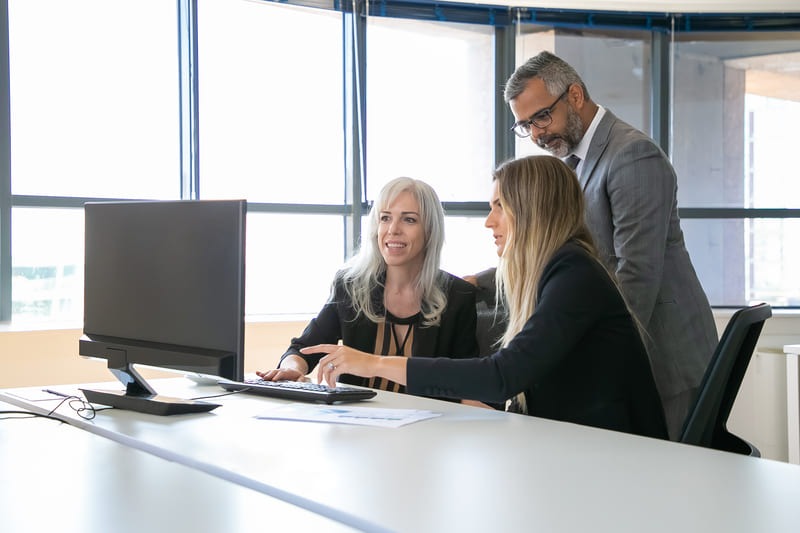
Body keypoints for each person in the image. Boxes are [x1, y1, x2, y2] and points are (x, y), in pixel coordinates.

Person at [306, 156, 669, 440]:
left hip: (618, 457)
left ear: (531, 210)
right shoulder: (556, 271)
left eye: (499, 206)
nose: (488, 221)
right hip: (576, 446)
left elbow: (502, 375)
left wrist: (373, 364)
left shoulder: (574, 274)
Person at [471, 51, 717, 440]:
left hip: (664, 357)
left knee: (665, 474)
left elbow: (636, 275)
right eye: (525, 125)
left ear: (575, 95)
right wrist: (481, 281)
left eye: (541, 117)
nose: (536, 134)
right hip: (629, 359)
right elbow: (550, 246)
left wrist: (576, 357)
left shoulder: (631, 155)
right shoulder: (572, 162)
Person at [256, 176, 479, 395]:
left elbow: (468, 381)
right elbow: (303, 349)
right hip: (357, 417)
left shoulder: (458, 296)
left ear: (430, 230)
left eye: (409, 220)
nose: (393, 229)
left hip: (429, 418)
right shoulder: (350, 286)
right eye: (385, 218)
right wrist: (293, 368)